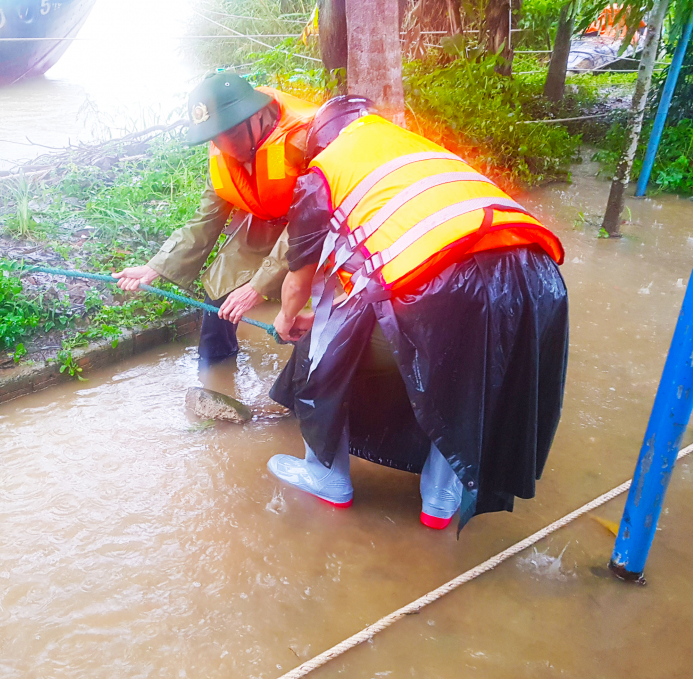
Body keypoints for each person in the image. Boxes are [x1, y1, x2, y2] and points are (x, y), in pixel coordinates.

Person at [266, 97, 570, 531]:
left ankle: (326, 475)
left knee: (317, 355)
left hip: (451, 286)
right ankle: (441, 501)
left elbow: (300, 281)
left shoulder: (325, 171)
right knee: (465, 380)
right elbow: (393, 261)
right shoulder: (414, 151)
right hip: (539, 285)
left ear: (320, 141)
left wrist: (286, 320)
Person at [112, 73, 318, 364]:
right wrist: (155, 267)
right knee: (221, 289)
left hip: (323, 227)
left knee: (319, 305)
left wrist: (258, 286)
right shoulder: (224, 153)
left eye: (233, 134)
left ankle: (309, 375)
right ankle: (215, 373)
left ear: (257, 116)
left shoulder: (304, 140)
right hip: (270, 221)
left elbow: (309, 223)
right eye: (216, 138)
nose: (227, 148)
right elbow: (205, 221)